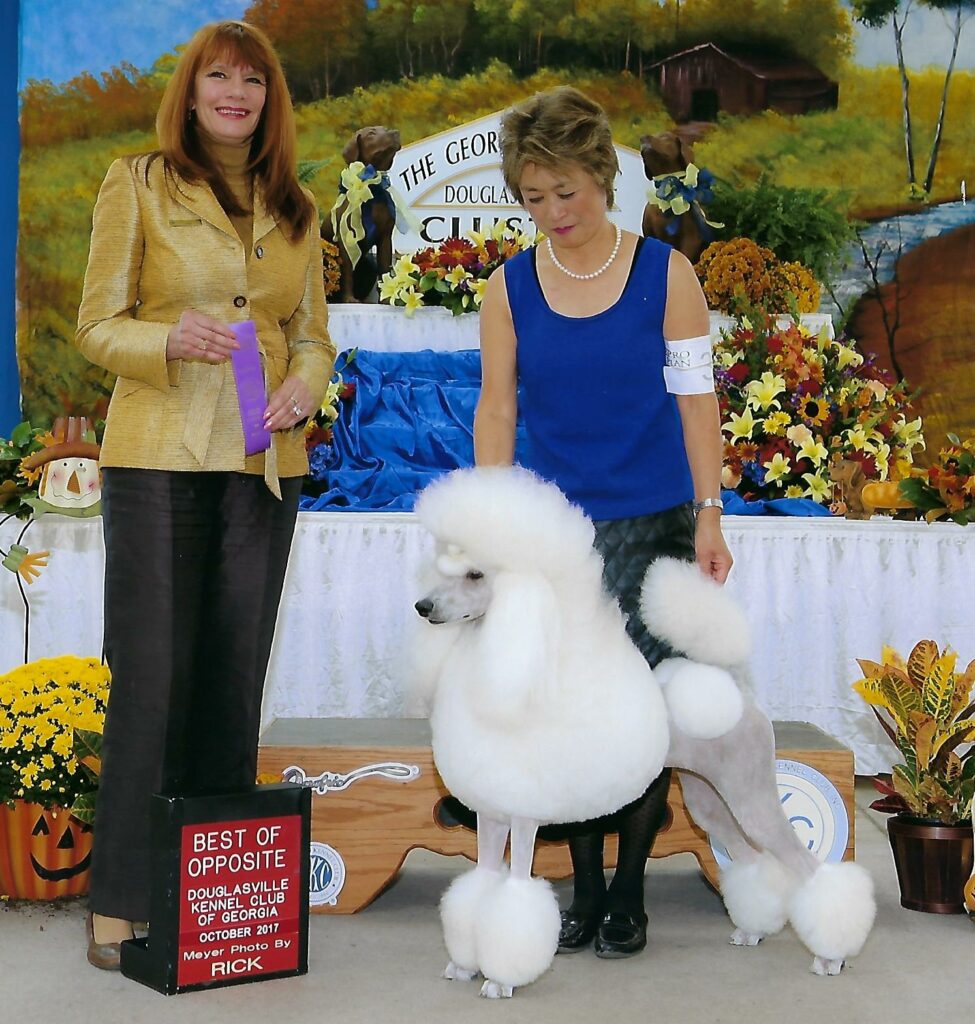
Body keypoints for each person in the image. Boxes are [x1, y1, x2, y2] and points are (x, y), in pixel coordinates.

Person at [75, 20, 335, 970]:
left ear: (271, 99)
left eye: (253, 81)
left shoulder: (298, 204)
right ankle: (120, 909)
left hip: (266, 466)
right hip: (156, 457)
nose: (235, 93)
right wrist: (166, 340)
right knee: (151, 680)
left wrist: (310, 377)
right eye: (218, 78)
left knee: (233, 680)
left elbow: (309, 330)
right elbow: (97, 325)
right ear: (188, 94)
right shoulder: (136, 181)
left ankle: (217, 912)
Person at [474, 86, 733, 959]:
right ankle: (579, 888)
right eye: (533, 199)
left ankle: (629, 892)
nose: (552, 214)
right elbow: (497, 411)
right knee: (564, 714)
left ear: (602, 176)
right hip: (557, 539)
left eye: (567, 194)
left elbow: (697, 401)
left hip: (656, 525)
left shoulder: (669, 273)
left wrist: (710, 513)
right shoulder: (506, 288)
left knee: (642, 716)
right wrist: (491, 522)